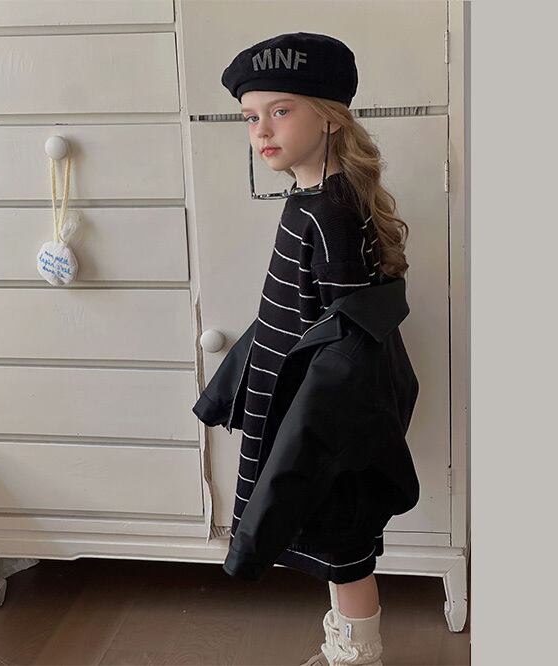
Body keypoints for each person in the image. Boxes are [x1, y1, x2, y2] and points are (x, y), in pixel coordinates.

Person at [196, 32, 420, 666]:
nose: (262, 130)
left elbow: (345, 337)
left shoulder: (330, 213)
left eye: (281, 110)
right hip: (304, 406)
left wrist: (314, 438)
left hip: (325, 416)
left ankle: (360, 656)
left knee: (344, 547)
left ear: (329, 116)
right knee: (330, 538)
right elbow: (292, 314)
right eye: (251, 117)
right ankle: (347, 646)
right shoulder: (314, 200)